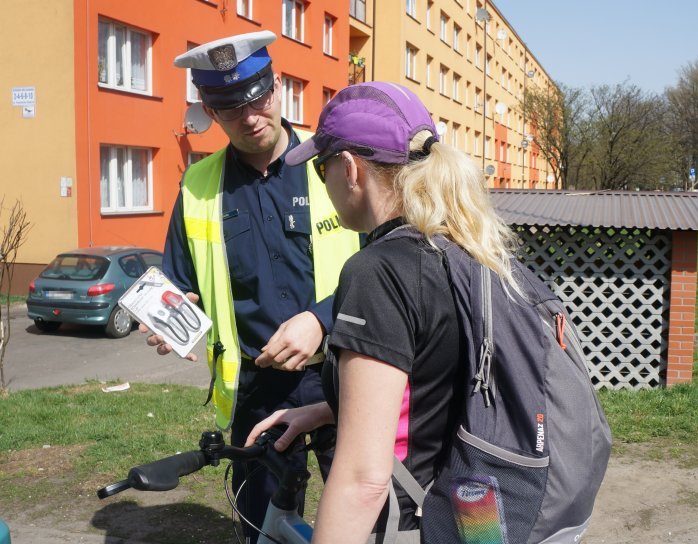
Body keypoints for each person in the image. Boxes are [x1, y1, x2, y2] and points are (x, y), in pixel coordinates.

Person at [245, 81, 523, 543]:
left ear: (350, 169)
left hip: (408, 522)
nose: (323, 183)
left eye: (320, 169)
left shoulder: (378, 271)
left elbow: (363, 480)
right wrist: (327, 411)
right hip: (470, 514)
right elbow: (433, 388)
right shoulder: (464, 249)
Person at [140, 31, 359, 541]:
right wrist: (169, 317)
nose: (249, 117)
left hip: (342, 375)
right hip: (255, 392)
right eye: (228, 108)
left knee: (361, 516)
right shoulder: (197, 185)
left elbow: (384, 265)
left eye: (257, 98)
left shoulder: (336, 162)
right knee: (264, 526)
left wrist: (321, 321)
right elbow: (178, 280)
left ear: (278, 84)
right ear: (210, 111)